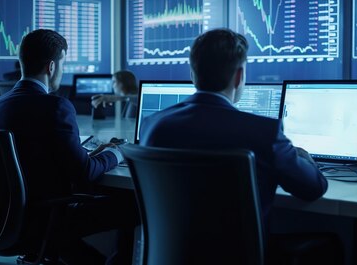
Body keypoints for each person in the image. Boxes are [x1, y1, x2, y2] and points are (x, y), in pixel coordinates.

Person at [137, 28, 339, 263]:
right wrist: (300, 156)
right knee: (331, 244)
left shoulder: (153, 126)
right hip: (240, 257)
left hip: (170, 256)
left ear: (193, 74)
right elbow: (314, 188)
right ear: (239, 76)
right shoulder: (264, 132)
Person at [0, 29, 135, 265]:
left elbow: (35, 158)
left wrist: (90, 154)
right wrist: (116, 152)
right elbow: (84, 174)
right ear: (51, 67)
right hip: (43, 218)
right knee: (130, 205)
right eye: (63, 65)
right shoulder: (55, 107)